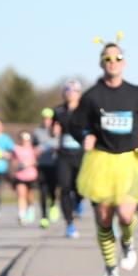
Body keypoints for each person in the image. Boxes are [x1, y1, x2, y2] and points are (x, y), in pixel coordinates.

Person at [71, 38, 138, 276]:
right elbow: (75, 124)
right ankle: (110, 266)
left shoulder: (136, 93)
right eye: (108, 59)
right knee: (103, 218)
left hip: (130, 160)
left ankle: (128, 241)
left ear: (125, 63)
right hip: (101, 160)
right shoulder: (92, 96)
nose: (113, 62)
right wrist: (85, 136)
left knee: (125, 215)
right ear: (102, 64)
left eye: (117, 58)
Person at [53, 79, 85, 238]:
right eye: (67, 90)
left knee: (80, 186)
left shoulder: (85, 110)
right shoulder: (58, 111)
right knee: (64, 188)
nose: (70, 93)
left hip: (81, 154)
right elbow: (53, 131)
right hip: (64, 155)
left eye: (74, 91)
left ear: (79, 93)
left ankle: (79, 201)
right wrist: (54, 131)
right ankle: (69, 224)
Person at [33, 108, 60, 228]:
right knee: (42, 191)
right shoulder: (37, 132)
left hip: (54, 164)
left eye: (49, 119)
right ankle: (44, 217)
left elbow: (59, 144)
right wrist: (35, 151)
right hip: (42, 164)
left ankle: (53, 204)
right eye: (44, 118)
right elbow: (33, 147)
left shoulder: (57, 130)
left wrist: (47, 147)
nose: (46, 121)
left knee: (52, 189)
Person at [11, 130, 39, 225]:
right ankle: (21, 214)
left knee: (29, 195)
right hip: (20, 175)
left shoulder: (33, 149)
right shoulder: (16, 148)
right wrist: (17, 165)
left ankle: (31, 209)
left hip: (31, 175)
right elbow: (13, 161)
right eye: (23, 139)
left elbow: (36, 161)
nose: (25, 141)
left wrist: (29, 163)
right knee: (21, 194)